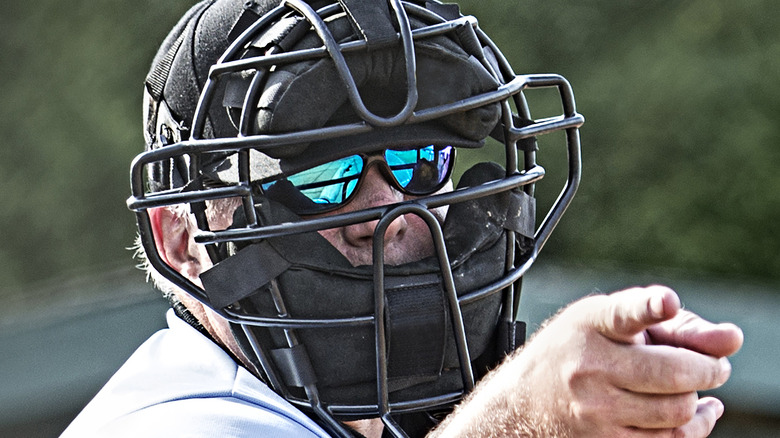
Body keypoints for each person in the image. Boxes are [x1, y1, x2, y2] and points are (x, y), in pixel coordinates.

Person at [62, 0, 743, 436]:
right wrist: (523, 419)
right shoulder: (166, 422)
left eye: (419, 158)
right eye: (323, 177)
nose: (389, 209)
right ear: (181, 241)